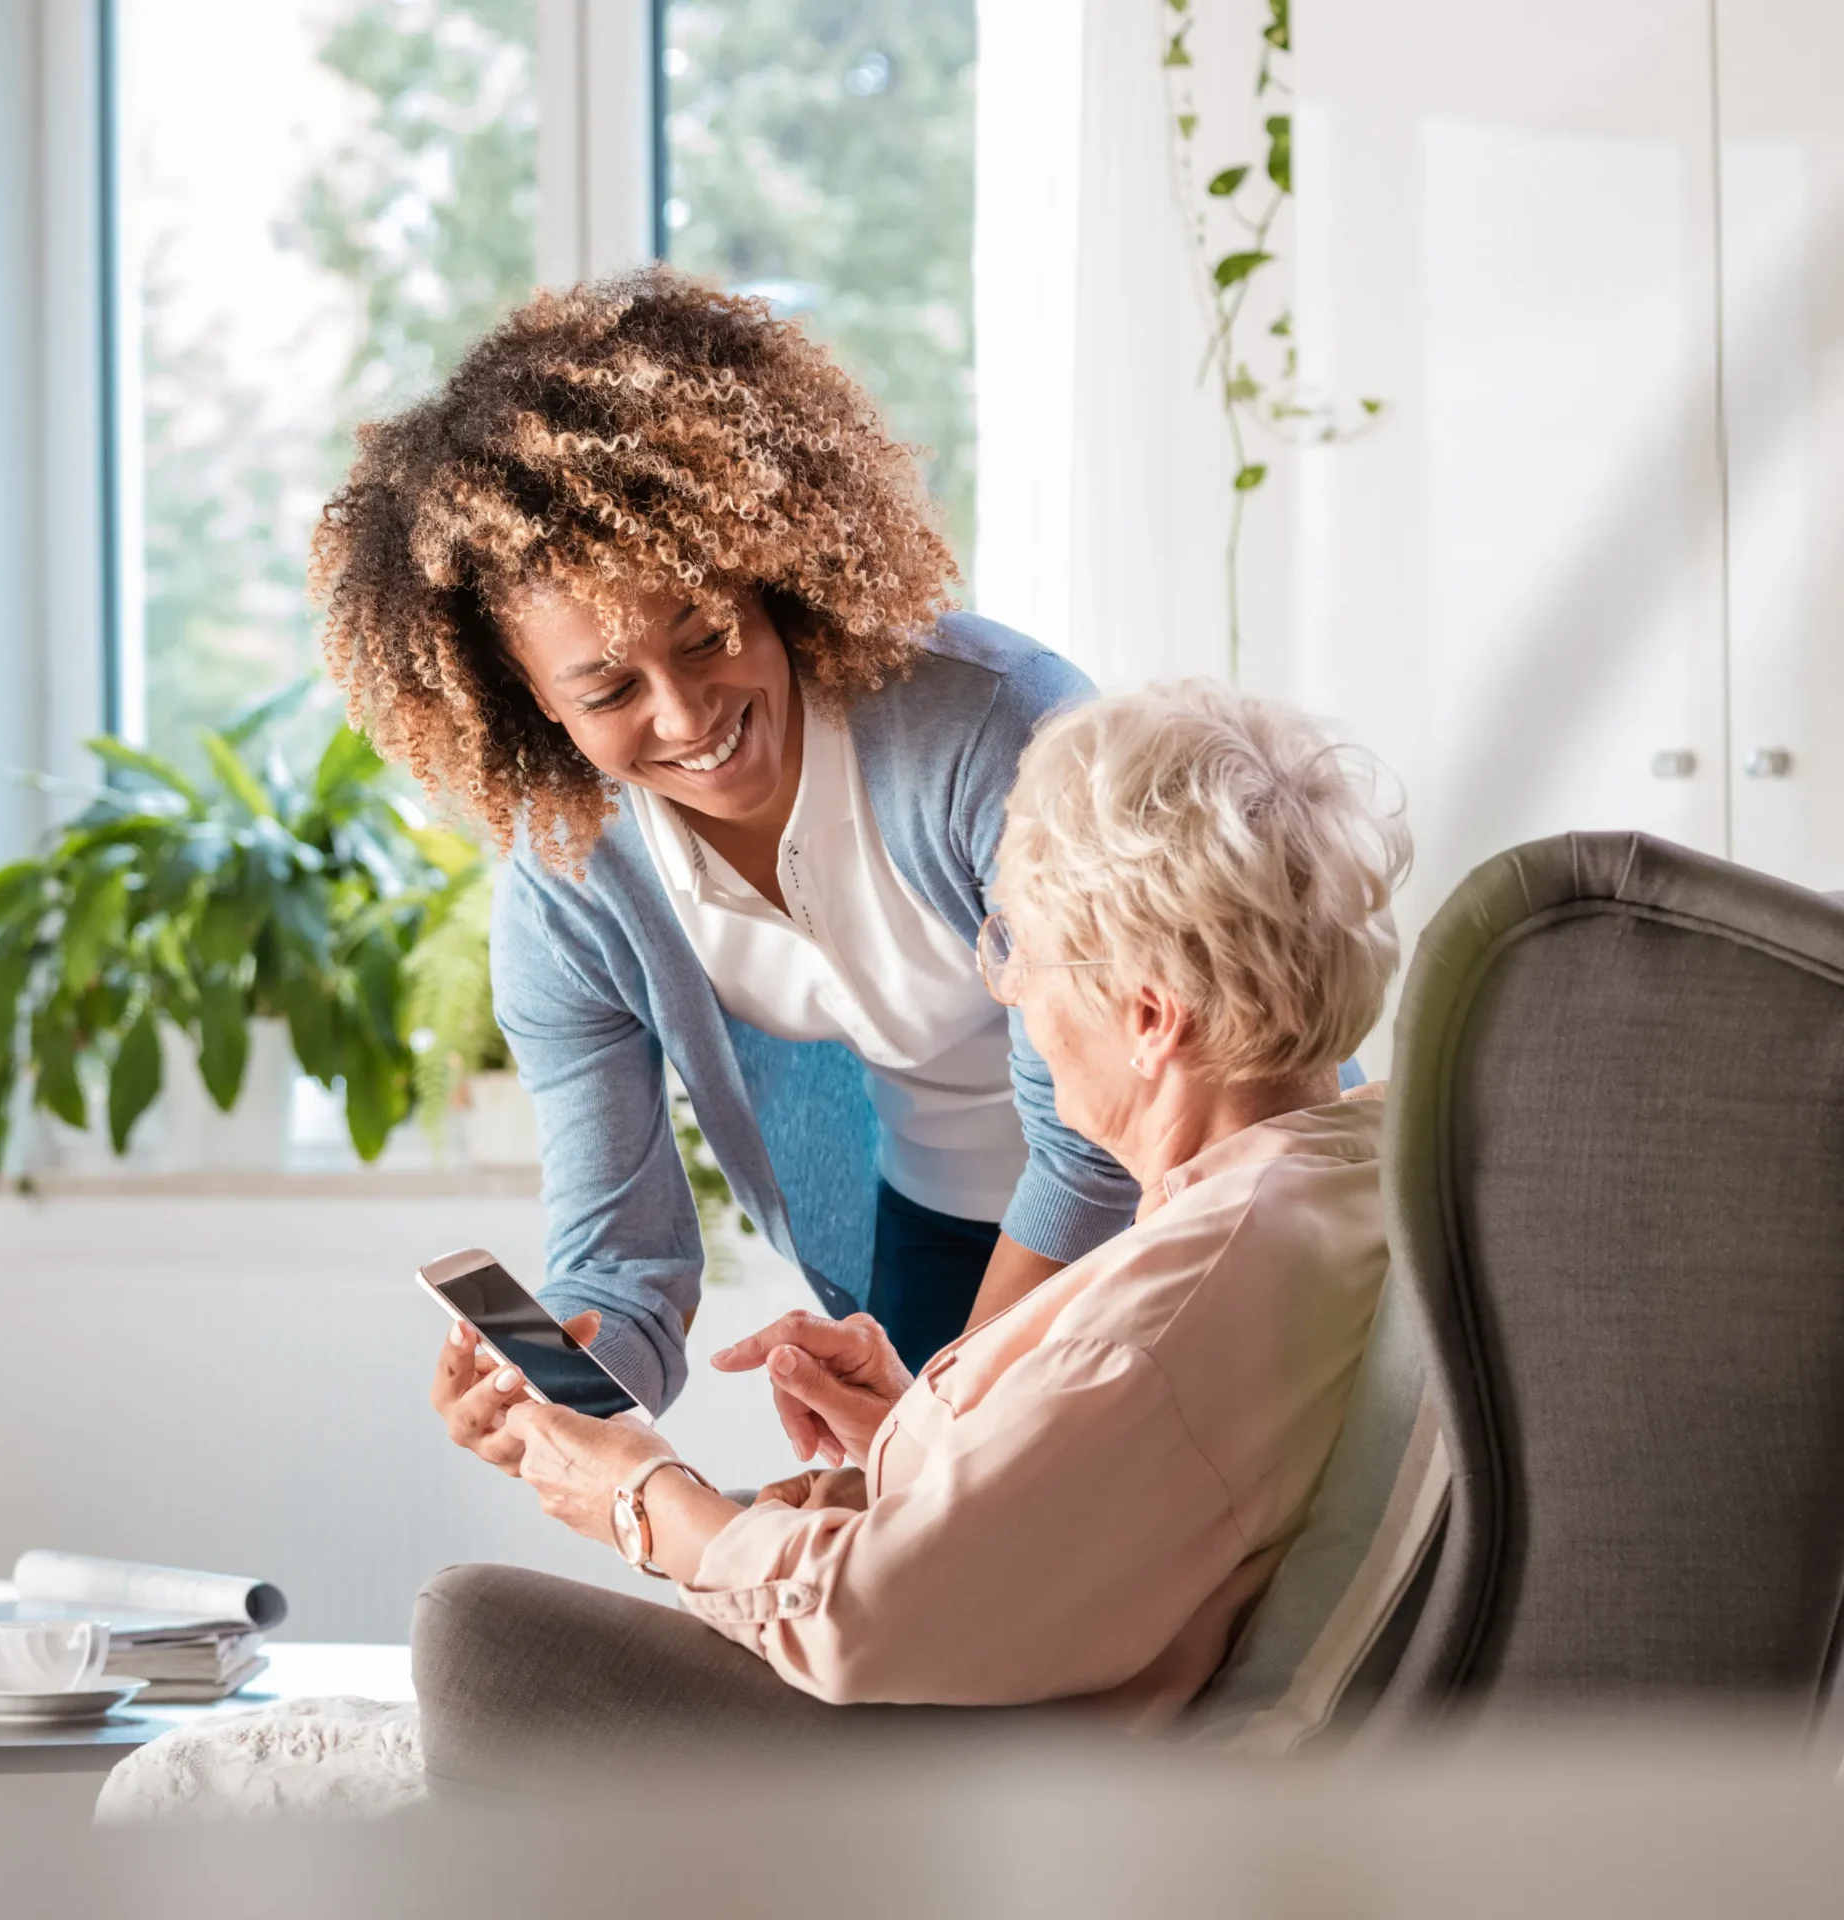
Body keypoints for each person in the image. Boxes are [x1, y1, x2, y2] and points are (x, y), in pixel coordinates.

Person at [410, 679, 1412, 1783]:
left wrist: (637, 1497)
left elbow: (864, 1614)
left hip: (988, 1767)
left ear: (1146, 1016)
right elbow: (1114, 1486)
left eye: (1019, 955)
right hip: (1022, 1662)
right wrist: (922, 1423)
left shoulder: (1178, 1294)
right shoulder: (1346, 1178)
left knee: (475, 1631)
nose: (1014, 998)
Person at [313, 265, 1149, 1449]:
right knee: (938, 1610)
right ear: (530, 704)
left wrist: (946, 1418)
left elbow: (1096, 1127)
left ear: (767, 576)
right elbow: (625, 1262)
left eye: (706, 635)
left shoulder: (989, 729)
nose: (684, 712)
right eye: (607, 689)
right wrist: (562, 1385)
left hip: (1168, 1201)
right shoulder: (573, 893)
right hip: (935, 1238)